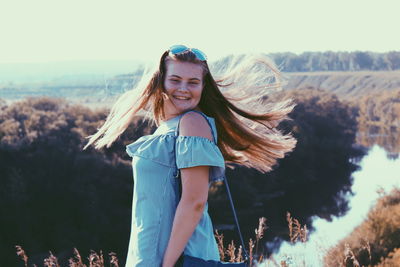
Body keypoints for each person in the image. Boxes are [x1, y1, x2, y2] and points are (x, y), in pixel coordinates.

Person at [83, 44, 297, 267]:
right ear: (161, 81)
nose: (184, 88)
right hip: (151, 254)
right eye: (175, 80)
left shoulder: (192, 124)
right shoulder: (167, 127)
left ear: (203, 87)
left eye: (193, 82)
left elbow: (195, 201)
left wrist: (167, 264)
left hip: (178, 258)